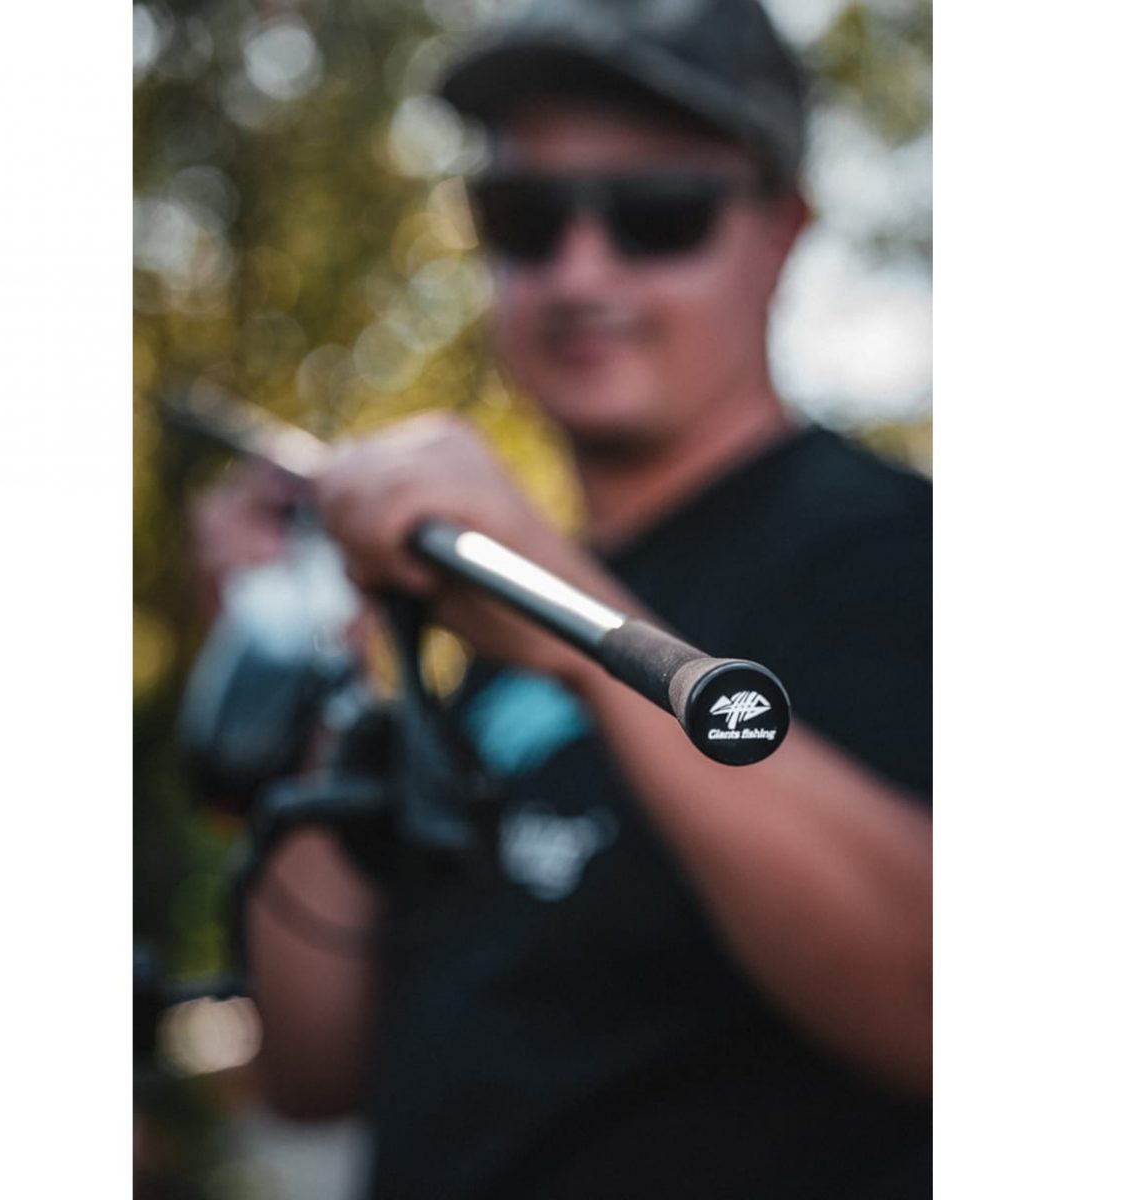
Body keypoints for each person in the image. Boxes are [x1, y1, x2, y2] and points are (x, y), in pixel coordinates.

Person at [212, 1, 933, 1196]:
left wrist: (577, 625)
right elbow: (314, 1069)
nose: (580, 272)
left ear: (782, 231)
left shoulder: (908, 559)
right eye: (525, 218)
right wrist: (292, 645)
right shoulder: (488, 631)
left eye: (659, 214)